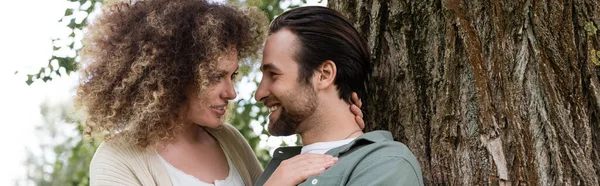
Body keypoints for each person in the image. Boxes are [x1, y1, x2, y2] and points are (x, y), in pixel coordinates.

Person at [76, 0, 364, 185]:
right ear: (172, 77)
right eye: (216, 77)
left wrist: (338, 131)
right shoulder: (117, 159)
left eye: (233, 75)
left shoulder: (229, 140)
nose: (232, 92)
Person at [254, 6, 424, 186]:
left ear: (324, 75)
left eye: (273, 74)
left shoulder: (386, 164)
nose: (259, 94)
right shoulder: (279, 171)